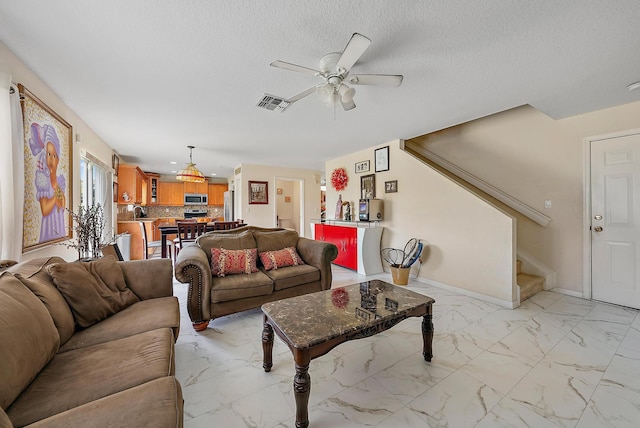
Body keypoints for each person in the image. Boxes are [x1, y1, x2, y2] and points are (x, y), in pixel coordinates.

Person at [29, 123, 66, 242]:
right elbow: (45, 210)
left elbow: (63, 206)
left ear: (58, 159)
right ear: (44, 156)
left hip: (59, 228)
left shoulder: (60, 181)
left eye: (54, 155)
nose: (51, 159)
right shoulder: (42, 179)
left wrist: (59, 198)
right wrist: (56, 199)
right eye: (49, 154)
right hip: (48, 230)